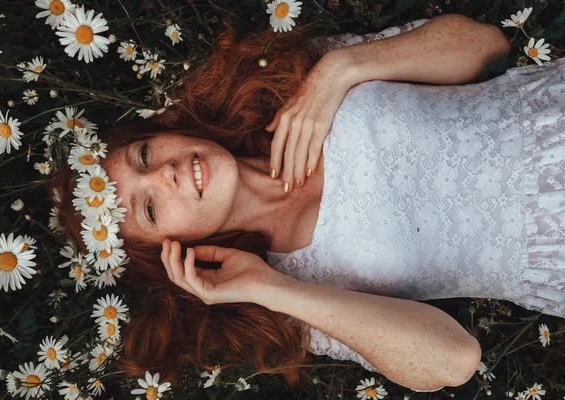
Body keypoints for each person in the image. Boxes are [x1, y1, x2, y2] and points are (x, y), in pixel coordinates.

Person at [50, 13, 565, 393]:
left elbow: (487, 46)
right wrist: (270, 288)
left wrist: (340, 68)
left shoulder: (280, 87)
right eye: (151, 209)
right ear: (173, 251)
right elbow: (453, 360)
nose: (165, 174)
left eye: (143, 155)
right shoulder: (286, 294)